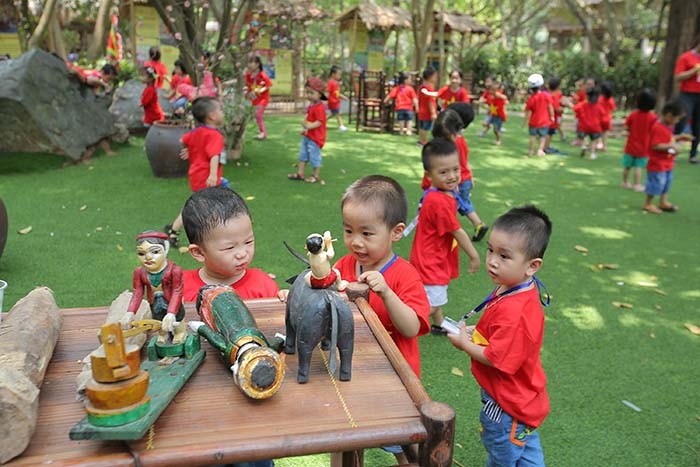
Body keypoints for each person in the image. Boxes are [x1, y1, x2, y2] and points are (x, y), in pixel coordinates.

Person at [333, 174, 430, 464]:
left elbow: (412, 327)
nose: (355, 242)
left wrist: (387, 292)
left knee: (402, 446)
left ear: (396, 232)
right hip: (351, 371)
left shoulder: (405, 275)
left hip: (394, 380)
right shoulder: (344, 264)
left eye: (367, 233)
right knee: (343, 438)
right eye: (349, 231)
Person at [446, 204, 552, 467]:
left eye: (504, 256)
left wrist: (463, 344)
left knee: (502, 455)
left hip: (507, 406)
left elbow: (496, 358)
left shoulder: (517, 312)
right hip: (523, 401)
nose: (492, 260)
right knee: (526, 452)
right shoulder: (512, 287)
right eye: (491, 250)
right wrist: (475, 332)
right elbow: (498, 333)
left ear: (532, 266)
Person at [409, 138, 480, 334]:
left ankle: (439, 323)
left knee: (433, 296)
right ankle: (405, 324)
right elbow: (457, 231)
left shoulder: (439, 193)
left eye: (456, 170)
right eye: (443, 172)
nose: (452, 176)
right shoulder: (439, 201)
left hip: (429, 254)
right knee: (433, 300)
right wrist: (473, 255)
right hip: (432, 259)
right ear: (429, 175)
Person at [180, 186, 283, 306]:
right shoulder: (180, 288)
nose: (242, 254)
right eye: (229, 248)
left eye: (248, 242)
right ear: (199, 252)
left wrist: (286, 300)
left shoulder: (263, 285)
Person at [165, 97, 230, 247]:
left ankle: (174, 230)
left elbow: (183, 139)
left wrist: (192, 148)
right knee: (206, 206)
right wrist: (213, 175)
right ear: (212, 116)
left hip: (196, 175)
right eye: (220, 110)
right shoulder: (215, 135)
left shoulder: (197, 132)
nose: (222, 113)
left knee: (203, 201)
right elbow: (214, 155)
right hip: (207, 177)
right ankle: (211, 235)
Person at [421, 104, 489, 242]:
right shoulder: (459, 141)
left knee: (454, 208)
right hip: (464, 179)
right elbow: (465, 162)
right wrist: (470, 177)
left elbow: (457, 166)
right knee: (463, 205)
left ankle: (461, 229)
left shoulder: (452, 146)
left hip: (459, 181)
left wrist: (458, 182)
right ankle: (477, 224)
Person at [120, 231, 186, 345]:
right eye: (141, 253)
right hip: (155, 301)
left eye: (155, 252)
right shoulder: (139, 272)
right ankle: (163, 333)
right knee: (158, 319)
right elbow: (137, 292)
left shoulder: (174, 271)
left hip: (171, 301)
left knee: (178, 319)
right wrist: (130, 312)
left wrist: (171, 313)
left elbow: (177, 291)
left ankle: (180, 332)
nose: (148, 257)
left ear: (166, 249)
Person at [643, 100, 687, 214]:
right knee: (656, 183)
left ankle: (663, 202)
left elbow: (668, 139)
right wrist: (671, 146)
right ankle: (648, 203)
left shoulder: (668, 127)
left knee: (666, 183)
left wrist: (679, 138)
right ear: (669, 115)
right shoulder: (658, 127)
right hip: (657, 164)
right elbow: (656, 145)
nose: (677, 122)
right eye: (677, 118)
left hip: (667, 163)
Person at [287, 77, 327, 184]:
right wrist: (304, 129)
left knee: (314, 157)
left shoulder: (320, 108)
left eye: (312, 93)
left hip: (315, 138)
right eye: (307, 92)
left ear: (319, 94)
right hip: (308, 135)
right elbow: (308, 118)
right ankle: (300, 174)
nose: (309, 95)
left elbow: (319, 122)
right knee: (302, 155)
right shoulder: (311, 105)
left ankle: (315, 175)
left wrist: (309, 127)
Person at [622, 89, 657, 191]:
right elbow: (654, 131)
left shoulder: (633, 114)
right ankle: (637, 184)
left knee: (627, 166)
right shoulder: (653, 117)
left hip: (630, 145)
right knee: (638, 167)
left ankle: (625, 182)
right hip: (644, 147)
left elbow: (627, 127)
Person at [673, 32, 700, 164]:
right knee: (681, 121)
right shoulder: (686, 57)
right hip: (687, 94)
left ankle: (693, 155)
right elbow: (678, 77)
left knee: (698, 125)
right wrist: (693, 71)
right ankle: (673, 150)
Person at [523, 73, 554, 157]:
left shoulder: (531, 98)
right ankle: (540, 150)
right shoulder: (546, 95)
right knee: (542, 136)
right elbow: (550, 106)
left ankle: (531, 151)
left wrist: (524, 122)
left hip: (533, 121)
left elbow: (527, 111)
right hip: (544, 121)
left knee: (532, 136)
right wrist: (552, 116)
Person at [573, 85, 605, 160]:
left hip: (583, 125)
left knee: (582, 137)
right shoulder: (599, 106)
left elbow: (576, 108)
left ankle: (583, 145)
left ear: (587, 95)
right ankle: (592, 154)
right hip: (595, 126)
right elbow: (602, 114)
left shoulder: (584, 104)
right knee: (593, 140)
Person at [245, 55, 272, 140]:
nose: (249, 64)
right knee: (254, 115)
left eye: (251, 62)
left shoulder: (262, 74)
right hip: (254, 99)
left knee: (258, 115)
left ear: (257, 64)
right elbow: (248, 85)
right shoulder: (249, 75)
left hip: (262, 99)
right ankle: (262, 132)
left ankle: (263, 133)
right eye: (249, 62)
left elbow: (268, 85)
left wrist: (259, 91)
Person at [384, 72, 418, 136]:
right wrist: (416, 107)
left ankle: (401, 131)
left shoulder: (397, 88)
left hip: (400, 107)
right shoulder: (410, 89)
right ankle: (408, 131)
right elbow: (414, 99)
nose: (410, 81)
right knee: (409, 120)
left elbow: (390, 96)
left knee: (401, 120)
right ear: (405, 80)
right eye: (409, 79)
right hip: (409, 108)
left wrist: (385, 101)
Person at [417, 67, 439, 146]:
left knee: (422, 126)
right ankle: (423, 141)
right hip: (427, 112)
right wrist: (433, 113)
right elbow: (431, 101)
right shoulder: (429, 88)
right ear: (430, 77)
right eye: (435, 76)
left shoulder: (421, 87)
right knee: (426, 127)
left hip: (421, 111)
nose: (436, 78)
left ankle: (420, 140)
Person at [484, 78, 508, 146]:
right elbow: (488, 102)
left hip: (499, 116)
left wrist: (499, 95)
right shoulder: (491, 96)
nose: (491, 91)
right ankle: (498, 135)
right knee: (487, 125)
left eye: (493, 90)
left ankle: (498, 140)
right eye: (490, 89)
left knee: (496, 130)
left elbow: (505, 97)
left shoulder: (499, 95)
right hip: (493, 114)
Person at [327, 65, 348, 131]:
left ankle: (321, 122)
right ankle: (341, 126)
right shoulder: (331, 82)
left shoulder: (336, 83)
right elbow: (328, 92)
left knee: (333, 113)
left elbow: (337, 93)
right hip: (332, 101)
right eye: (338, 74)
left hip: (336, 101)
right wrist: (325, 99)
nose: (340, 76)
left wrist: (342, 97)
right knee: (337, 114)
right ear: (333, 74)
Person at [598, 81, 616, 151]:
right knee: (604, 133)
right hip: (607, 119)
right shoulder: (611, 99)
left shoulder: (599, 98)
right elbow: (613, 108)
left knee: (597, 133)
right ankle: (604, 147)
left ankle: (597, 144)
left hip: (599, 118)